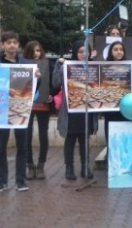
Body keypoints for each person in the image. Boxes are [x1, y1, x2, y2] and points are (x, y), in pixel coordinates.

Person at [0, 32, 38, 193]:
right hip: (1, 110)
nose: (12, 45)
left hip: (20, 110)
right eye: (9, 42)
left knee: (22, 147)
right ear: (3, 45)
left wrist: (36, 79)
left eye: (14, 42)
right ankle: (1, 181)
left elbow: (32, 90)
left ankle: (21, 180)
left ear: (18, 45)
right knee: (0, 147)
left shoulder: (25, 64)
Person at [53, 41, 98, 181]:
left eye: (86, 51)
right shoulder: (67, 66)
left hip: (87, 110)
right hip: (71, 111)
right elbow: (55, 83)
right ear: (74, 53)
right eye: (80, 51)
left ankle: (85, 167)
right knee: (70, 139)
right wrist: (58, 66)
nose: (83, 54)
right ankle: (69, 168)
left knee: (85, 139)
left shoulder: (94, 67)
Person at [22, 41, 53, 181]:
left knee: (43, 135)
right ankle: (30, 166)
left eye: (38, 51)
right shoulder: (22, 65)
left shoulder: (47, 65)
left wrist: (51, 94)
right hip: (27, 104)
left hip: (43, 103)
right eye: (33, 51)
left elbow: (53, 82)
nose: (36, 54)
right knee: (26, 135)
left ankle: (41, 165)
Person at [103, 41, 132, 145]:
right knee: (111, 134)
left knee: (125, 134)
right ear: (111, 52)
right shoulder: (104, 67)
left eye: (121, 49)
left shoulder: (130, 66)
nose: (119, 52)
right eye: (116, 49)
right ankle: (110, 155)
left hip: (126, 107)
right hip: (110, 107)